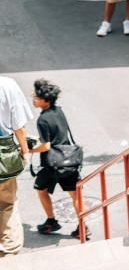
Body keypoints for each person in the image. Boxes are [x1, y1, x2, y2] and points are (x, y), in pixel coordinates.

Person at [29, 79, 85, 239]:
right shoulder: (58, 110)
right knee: (74, 194)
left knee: (41, 190)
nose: (33, 100)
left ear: (46, 101)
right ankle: (82, 227)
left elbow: (46, 146)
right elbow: (58, 132)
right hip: (69, 159)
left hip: (51, 164)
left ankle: (51, 221)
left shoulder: (42, 119)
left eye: (36, 98)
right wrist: (39, 137)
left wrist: (30, 149)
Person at [0, 76, 34, 257]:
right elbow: (19, 127)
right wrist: (25, 151)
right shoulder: (7, 85)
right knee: (7, 203)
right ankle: (8, 252)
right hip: (2, 157)